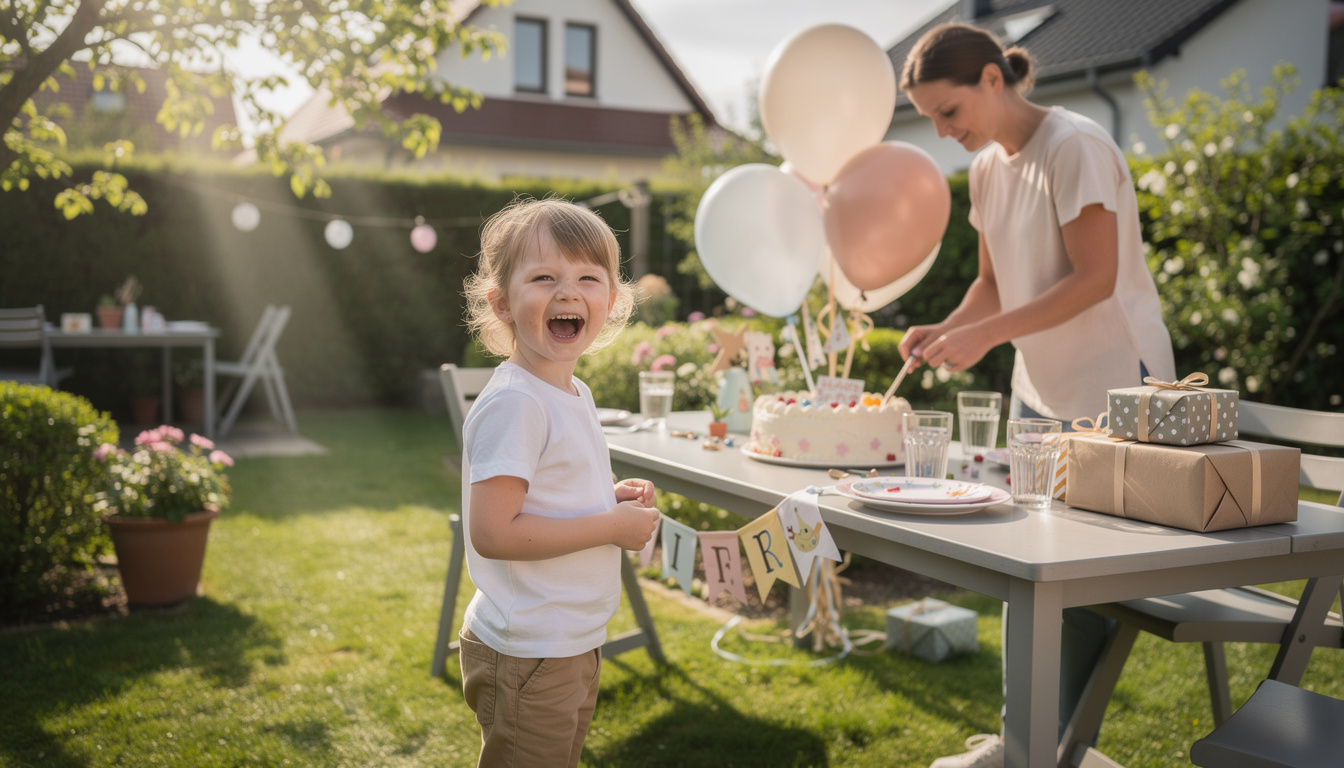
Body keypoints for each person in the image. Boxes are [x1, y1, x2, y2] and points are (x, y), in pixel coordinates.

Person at [895, 23, 1176, 768]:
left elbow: (1095, 279)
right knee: (1029, 568)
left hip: (1119, 389)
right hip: (1039, 392)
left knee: (1078, 581)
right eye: (930, 119)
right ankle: (1027, 743)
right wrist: (946, 326)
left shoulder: (1074, 146)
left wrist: (986, 338)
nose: (943, 132)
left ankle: (1049, 746)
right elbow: (991, 283)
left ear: (994, 78)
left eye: (948, 112)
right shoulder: (988, 167)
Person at [458, 197, 662, 767]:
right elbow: (495, 533)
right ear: (501, 303)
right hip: (530, 649)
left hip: (568, 640)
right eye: (544, 276)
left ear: (611, 301)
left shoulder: (570, 392)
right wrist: (609, 525)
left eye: (587, 278)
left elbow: (550, 493)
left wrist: (609, 499)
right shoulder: (517, 403)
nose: (567, 292)